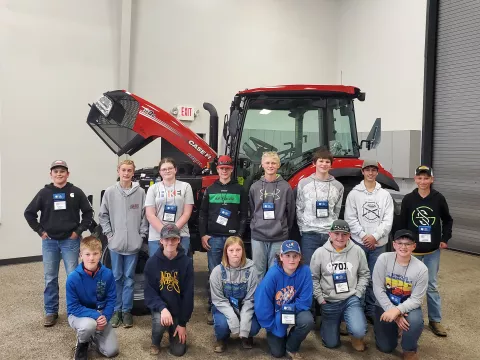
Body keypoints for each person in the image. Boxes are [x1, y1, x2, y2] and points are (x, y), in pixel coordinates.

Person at [24, 160, 94, 327]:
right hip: (50, 243)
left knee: (73, 277)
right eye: (56, 171)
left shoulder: (76, 192)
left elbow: (88, 213)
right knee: (50, 278)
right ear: (51, 174)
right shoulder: (44, 193)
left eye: (62, 171)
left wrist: (78, 231)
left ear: (67, 173)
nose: (59, 174)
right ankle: (51, 311)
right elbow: (29, 213)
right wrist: (40, 231)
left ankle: (74, 309)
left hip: (70, 241)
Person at [400, 165, 453, 337]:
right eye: (420, 178)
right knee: (406, 286)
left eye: (426, 178)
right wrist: (402, 245)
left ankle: (435, 320)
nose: (423, 181)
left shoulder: (438, 199)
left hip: (432, 252)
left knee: (431, 285)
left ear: (432, 179)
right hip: (412, 252)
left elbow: (447, 220)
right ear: (415, 179)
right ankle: (404, 317)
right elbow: (402, 223)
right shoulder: (408, 199)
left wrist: (445, 239)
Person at [98, 159, 148, 328]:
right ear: (118, 171)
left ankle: (127, 311)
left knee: (129, 279)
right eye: (123, 170)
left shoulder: (140, 192)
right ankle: (116, 311)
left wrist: (141, 236)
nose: (126, 173)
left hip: (133, 245)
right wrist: (110, 235)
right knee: (116, 277)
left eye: (129, 170)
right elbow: (103, 215)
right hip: (116, 245)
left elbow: (144, 216)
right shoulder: (110, 192)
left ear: (133, 173)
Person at [199, 155, 248, 324]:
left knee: (234, 274)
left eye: (227, 168)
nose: (224, 171)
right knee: (214, 274)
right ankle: (213, 308)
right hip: (214, 238)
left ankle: (234, 306)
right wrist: (203, 234)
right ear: (217, 169)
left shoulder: (240, 189)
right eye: (222, 168)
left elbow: (244, 215)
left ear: (232, 169)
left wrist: (239, 235)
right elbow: (203, 214)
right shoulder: (210, 189)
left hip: (232, 239)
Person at [344, 159, 394, 323]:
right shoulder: (354, 194)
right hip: (359, 243)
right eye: (368, 170)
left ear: (377, 172)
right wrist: (364, 236)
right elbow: (350, 218)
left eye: (374, 170)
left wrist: (375, 237)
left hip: (378, 244)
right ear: (363, 172)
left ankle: (371, 310)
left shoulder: (385, 195)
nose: (371, 173)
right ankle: (357, 310)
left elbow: (388, 220)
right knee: (358, 277)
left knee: (375, 278)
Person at [310, 220, 370, 351]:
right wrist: (320, 298)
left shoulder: (357, 251)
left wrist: (358, 293)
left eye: (344, 234)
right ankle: (331, 323)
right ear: (329, 234)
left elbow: (364, 274)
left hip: (350, 299)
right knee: (331, 344)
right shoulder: (320, 253)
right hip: (329, 301)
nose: (340, 237)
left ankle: (355, 334)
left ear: (349, 235)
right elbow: (313, 278)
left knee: (359, 330)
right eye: (336, 233)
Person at [373, 229, 428, 360]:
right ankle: (394, 328)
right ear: (394, 244)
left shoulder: (421, 269)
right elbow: (377, 288)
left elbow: (416, 299)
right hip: (385, 303)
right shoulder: (383, 259)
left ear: (414, 246)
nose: (403, 247)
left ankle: (409, 349)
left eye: (408, 244)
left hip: (407, 306)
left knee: (414, 322)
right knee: (385, 347)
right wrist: (392, 311)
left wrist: (398, 310)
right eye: (400, 243)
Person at [254, 240, 314, 360]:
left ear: (300, 257)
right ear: (281, 256)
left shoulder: (305, 271)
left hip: (293, 310)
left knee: (307, 320)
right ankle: (276, 336)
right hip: (275, 315)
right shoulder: (273, 274)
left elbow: (305, 301)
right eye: (287, 256)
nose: (291, 260)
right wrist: (272, 325)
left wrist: (287, 310)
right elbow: (262, 303)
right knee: (277, 353)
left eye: (295, 256)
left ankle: (291, 346)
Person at [144, 224, 194, 356]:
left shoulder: (187, 263)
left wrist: (182, 323)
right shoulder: (151, 263)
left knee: (178, 351)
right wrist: (162, 308)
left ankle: (174, 330)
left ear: (179, 240)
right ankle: (155, 341)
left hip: (177, 310)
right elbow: (149, 292)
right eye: (166, 239)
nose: (170, 242)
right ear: (161, 241)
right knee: (159, 322)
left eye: (173, 239)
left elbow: (188, 295)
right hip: (161, 309)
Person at [66, 236, 118, 360]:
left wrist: (105, 317)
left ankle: (93, 336)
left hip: (101, 314)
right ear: (81, 255)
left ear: (100, 254)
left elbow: (111, 300)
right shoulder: (73, 278)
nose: (91, 258)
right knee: (88, 325)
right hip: (79, 315)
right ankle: (82, 342)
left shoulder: (108, 274)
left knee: (112, 351)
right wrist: (95, 316)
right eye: (87, 254)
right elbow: (73, 307)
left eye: (95, 254)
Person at [249, 151, 295, 280]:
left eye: (273, 163)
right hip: (258, 235)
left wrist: (282, 227)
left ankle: (274, 299)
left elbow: (290, 213)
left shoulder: (286, 187)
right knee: (258, 270)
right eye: (268, 163)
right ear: (262, 164)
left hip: (278, 236)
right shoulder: (255, 187)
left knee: (275, 271)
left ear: (278, 165)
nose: (270, 165)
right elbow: (253, 209)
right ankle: (259, 299)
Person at [210, 236, 260, 353]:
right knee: (222, 326)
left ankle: (246, 336)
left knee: (253, 327)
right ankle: (221, 338)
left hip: (245, 306)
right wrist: (233, 321)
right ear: (226, 252)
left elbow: (251, 299)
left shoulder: (252, 270)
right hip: (224, 307)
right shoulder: (217, 272)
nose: (235, 254)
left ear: (243, 251)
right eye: (231, 250)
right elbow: (218, 300)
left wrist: (244, 325)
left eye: (238, 250)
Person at [296, 147, 344, 266]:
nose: (324, 164)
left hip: (329, 235)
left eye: (327, 162)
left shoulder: (338, 186)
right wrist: (303, 227)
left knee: (329, 268)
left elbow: (337, 211)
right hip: (309, 234)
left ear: (331, 165)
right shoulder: (304, 183)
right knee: (309, 269)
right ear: (314, 163)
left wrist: (332, 229)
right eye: (321, 161)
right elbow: (299, 208)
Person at [145, 157, 194, 257]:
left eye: (170, 168)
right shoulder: (153, 188)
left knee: (179, 268)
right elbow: (150, 214)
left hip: (181, 235)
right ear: (160, 172)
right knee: (158, 269)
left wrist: (172, 231)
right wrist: (165, 233)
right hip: (157, 236)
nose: (167, 171)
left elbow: (187, 213)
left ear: (175, 170)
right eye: (164, 169)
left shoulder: (186, 186)